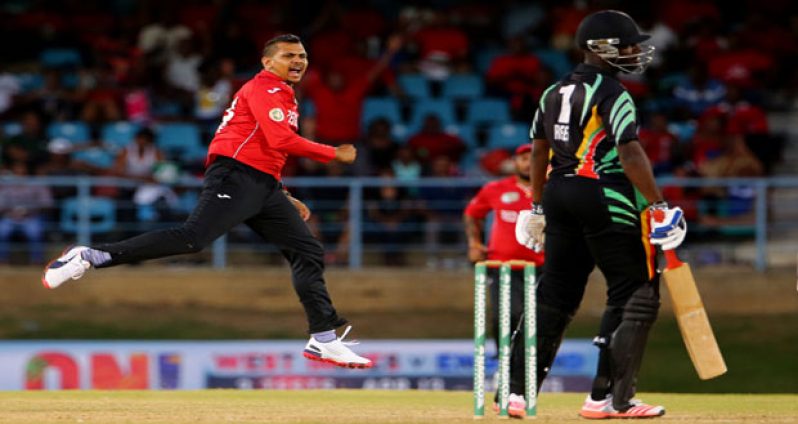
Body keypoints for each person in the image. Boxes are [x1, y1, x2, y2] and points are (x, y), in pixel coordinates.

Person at [42, 34, 373, 369]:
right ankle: (90, 255)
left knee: (308, 250)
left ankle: (324, 339)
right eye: (289, 55)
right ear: (267, 62)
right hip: (236, 177)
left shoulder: (283, 95)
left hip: (262, 184)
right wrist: (333, 153)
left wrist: (281, 191)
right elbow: (279, 139)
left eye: (302, 55)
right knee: (192, 238)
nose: (298, 61)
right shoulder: (264, 87)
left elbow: (265, 147)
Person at [515, 10, 687, 419]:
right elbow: (629, 149)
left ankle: (516, 393)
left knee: (555, 291)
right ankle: (608, 398)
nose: (635, 52)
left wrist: (536, 204)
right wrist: (660, 206)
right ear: (603, 49)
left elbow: (539, 150)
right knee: (635, 291)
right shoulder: (613, 93)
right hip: (605, 193)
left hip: (558, 194)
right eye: (627, 45)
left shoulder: (552, 92)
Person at [463, 144, 544, 418]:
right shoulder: (496, 188)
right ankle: (506, 369)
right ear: (515, 162)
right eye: (523, 158)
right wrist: (475, 243)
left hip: (542, 268)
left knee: (539, 326)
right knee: (509, 316)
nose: (527, 163)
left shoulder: (551, 190)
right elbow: (472, 214)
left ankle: (520, 380)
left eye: (533, 158)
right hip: (503, 268)